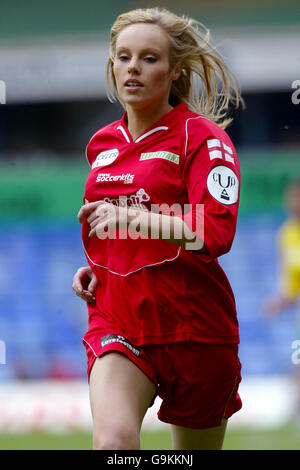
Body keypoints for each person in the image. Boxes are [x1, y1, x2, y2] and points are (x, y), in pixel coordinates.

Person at [72, 7, 244, 450]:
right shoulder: (102, 145)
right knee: (114, 444)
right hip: (119, 320)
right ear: (112, 66)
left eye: (149, 58)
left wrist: (133, 219)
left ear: (174, 70)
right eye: (123, 57)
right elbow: (106, 226)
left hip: (196, 329)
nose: (133, 67)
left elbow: (216, 231)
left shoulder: (203, 139)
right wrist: (96, 265)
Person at [263, 180, 300, 420]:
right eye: (291, 198)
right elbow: (290, 282)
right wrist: (279, 301)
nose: (293, 204)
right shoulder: (286, 234)